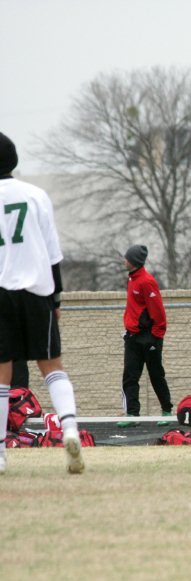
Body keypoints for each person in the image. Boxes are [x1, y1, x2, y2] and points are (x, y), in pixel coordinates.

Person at [0, 131, 84, 474]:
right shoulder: (36, 195)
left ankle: (0, 456)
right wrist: (57, 298)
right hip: (37, 292)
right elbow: (53, 255)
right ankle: (69, 429)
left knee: (1, 378)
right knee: (52, 367)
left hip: (0, 292)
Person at [118, 244, 172, 428]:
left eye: (126, 258)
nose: (124, 261)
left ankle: (167, 410)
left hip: (149, 338)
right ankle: (132, 414)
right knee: (130, 376)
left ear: (133, 261)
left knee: (156, 375)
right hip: (132, 338)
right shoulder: (132, 279)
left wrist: (155, 338)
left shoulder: (146, 281)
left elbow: (159, 313)